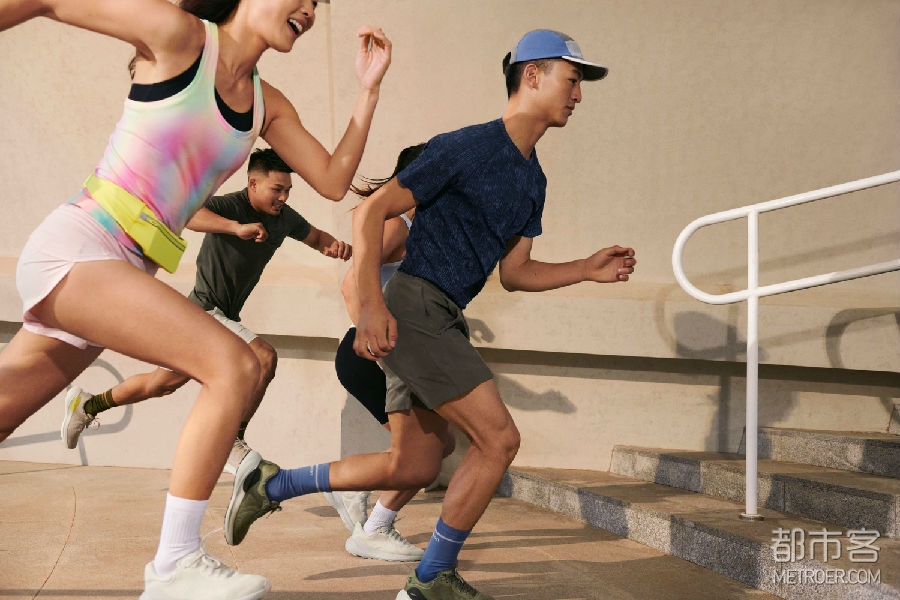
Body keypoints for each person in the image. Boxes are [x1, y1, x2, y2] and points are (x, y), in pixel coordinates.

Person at [225, 29, 635, 600]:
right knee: (499, 440)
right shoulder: (469, 146)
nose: (579, 95)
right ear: (532, 75)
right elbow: (371, 213)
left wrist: (584, 269)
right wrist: (370, 306)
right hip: (415, 305)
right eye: (572, 80)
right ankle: (430, 579)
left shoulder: (533, 180)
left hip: (443, 313)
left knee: (417, 464)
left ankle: (270, 487)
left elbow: (517, 273)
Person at [0, 1, 390, 599]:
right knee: (235, 363)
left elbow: (334, 180)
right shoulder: (181, 37)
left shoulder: (266, 103)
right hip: (83, 246)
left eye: (318, 2)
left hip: (121, 269)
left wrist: (368, 90)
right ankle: (175, 563)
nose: (310, 9)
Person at [61, 147, 352, 478]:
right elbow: (190, 216)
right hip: (205, 310)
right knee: (263, 358)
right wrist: (234, 228)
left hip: (216, 316)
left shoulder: (284, 218)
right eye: (277, 189)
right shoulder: (231, 206)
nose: (283, 197)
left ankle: (88, 404)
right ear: (253, 184)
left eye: (287, 190)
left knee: (161, 383)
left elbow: (315, 236)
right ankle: (232, 440)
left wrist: (333, 245)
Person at [325, 143, 456, 562]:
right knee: (423, 452)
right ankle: (372, 523)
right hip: (371, 355)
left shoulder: (416, 228)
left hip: (384, 355)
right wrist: (379, 348)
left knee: (437, 446)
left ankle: (354, 489)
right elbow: (351, 285)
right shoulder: (397, 224)